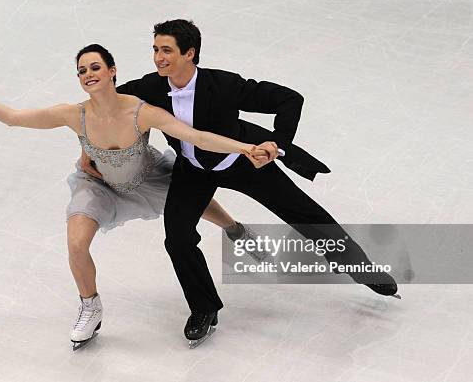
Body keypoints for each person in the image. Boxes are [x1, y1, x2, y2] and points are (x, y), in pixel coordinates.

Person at [79, 19, 400, 348]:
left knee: (306, 214)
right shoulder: (150, 88)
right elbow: (108, 108)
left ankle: (363, 268)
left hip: (243, 161)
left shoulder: (223, 85)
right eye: (155, 50)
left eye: (166, 50)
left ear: (190, 53)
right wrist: (89, 149)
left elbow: (289, 99)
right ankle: (204, 309)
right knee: (177, 238)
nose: (159, 57)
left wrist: (277, 143)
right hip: (193, 170)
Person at [0, 44, 272, 350]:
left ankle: (236, 231)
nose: (88, 74)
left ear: (112, 71)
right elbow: (15, 118)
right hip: (97, 185)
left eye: (95, 67)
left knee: (193, 198)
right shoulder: (73, 114)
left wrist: (243, 148)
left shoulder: (141, 111)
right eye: (82, 70)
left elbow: (197, 137)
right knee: (76, 243)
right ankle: (90, 307)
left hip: (148, 177)